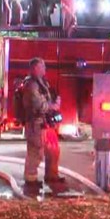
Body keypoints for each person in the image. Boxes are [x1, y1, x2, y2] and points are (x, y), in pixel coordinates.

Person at [21, 57, 63, 196]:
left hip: (45, 123)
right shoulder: (31, 85)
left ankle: (52, 175)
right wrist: (53, 106)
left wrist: (54, 102)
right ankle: (30, 179)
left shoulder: (42, 83)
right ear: (35, 68)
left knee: (53, 149)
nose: (45, 69)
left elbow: (46, 98)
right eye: (42, 66)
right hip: (35, 123)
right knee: (35, 151)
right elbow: (37, 104)